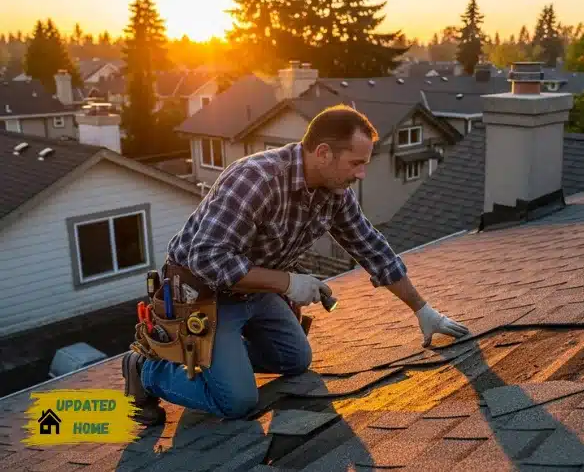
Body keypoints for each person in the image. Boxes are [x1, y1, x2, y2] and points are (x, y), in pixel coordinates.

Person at [122, 104, 469, 426]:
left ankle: (222, 360)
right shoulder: (256, 180)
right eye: (355, 163)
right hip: (205, 295)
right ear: (322, 153)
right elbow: (206, 260)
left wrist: (423, 310)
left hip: (253, 292)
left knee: (294, 360)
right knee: (239, 401)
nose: (362, 174)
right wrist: (288, 283)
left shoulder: (335, 194)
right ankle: (147, 370)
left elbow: (372, 248)